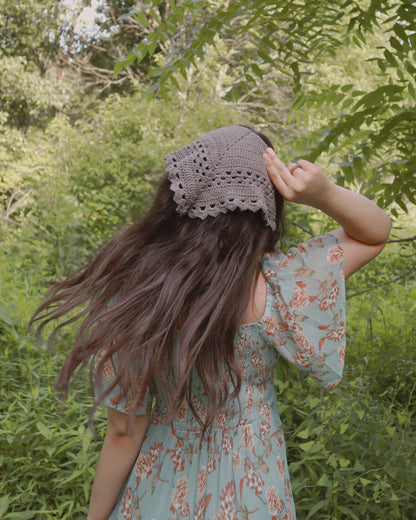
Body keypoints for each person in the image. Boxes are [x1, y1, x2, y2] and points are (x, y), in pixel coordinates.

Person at [30, 126, 391, 520]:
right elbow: (374, 234)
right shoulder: (277, 285)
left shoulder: (139, 292)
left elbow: (122, 433)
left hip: (162, 485)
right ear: (265, 209)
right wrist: (325, 194)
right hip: (253, 485)